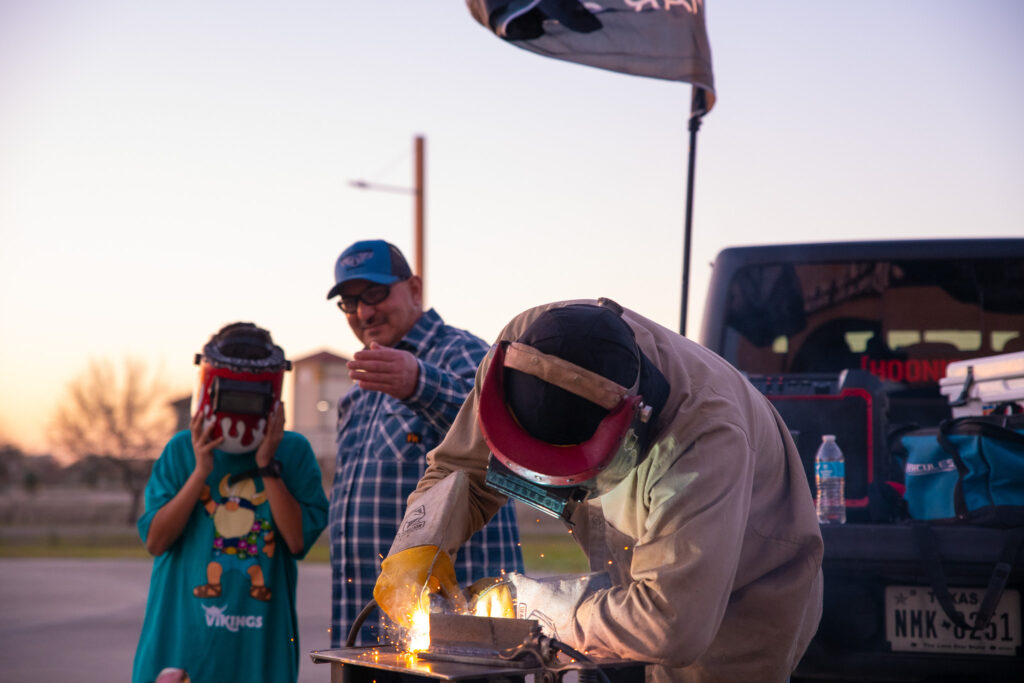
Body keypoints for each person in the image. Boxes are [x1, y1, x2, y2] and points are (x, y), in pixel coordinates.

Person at [374, 299, 824, 683]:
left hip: (737, 604)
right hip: (625, 579)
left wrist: (522, 606)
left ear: (627, 427)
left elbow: (671, 625)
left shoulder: (705, 438)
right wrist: (417, 544)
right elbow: (464, 466)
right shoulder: (524, 349)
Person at [326, 239, 523, 645]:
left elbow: (505, 436)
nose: (363, 312)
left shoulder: (462, 353)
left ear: (414, 289)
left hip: (456, 633)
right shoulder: (358, 393)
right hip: (370, 632)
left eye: (376, 294)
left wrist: (420, 384)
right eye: (349, 302)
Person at [132, 322, 329, 683]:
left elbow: (297, 541)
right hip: (180, 652)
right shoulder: (181, 450)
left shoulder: (294, 452)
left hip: (257, 657)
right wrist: (200, 471)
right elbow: (156, 541)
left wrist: (267, 466)